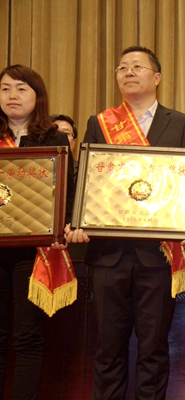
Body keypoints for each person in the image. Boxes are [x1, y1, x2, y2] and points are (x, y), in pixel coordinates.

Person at [66, 46, 185, 399]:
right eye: (122, 67)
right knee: (108, 347)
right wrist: (77, 220)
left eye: (137, 66)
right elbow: (88, 182)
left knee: (153, 347)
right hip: (109, 254)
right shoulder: (100, 122)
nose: (128, 72)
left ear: (157, 77)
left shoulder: (181, 123)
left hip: (159, 254)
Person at [0, 65, 75, 399]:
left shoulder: (54, 139)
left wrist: (63, 226)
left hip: (35, 252)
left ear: (37, 96)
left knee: (27, 337)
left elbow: (67, 193)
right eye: (5, 89)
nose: (12, 96)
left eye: (21, 89)